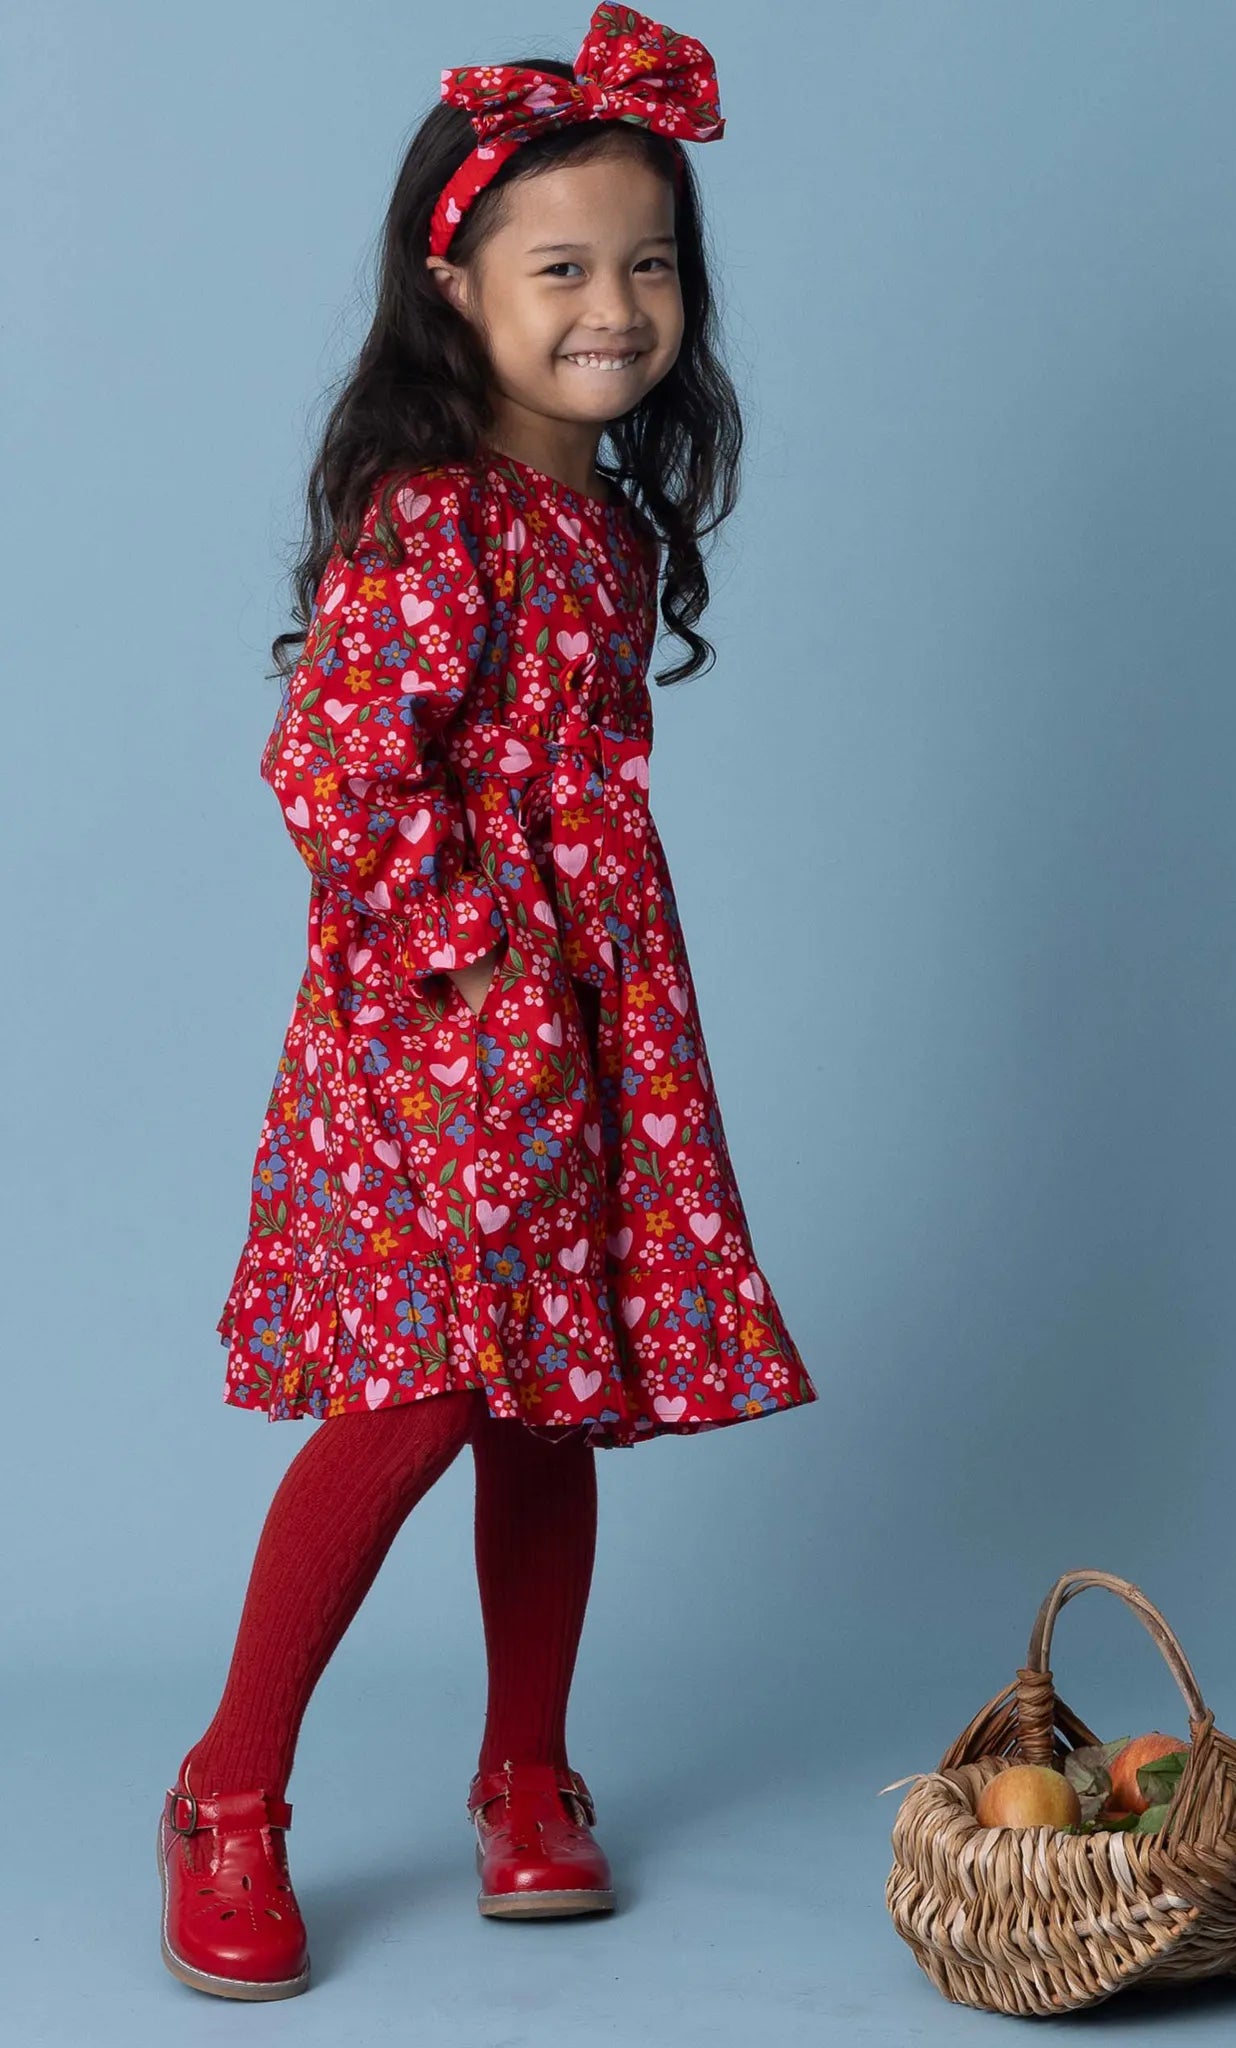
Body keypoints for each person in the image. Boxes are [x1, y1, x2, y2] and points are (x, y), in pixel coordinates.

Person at [158, 6, 818, 2000]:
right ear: (452, 287)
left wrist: (582, 994)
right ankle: (229, 1785)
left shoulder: (604, 526)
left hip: (595, 1015)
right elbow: (336, 773)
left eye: (649, 261)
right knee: (431, 1385)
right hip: (447, 1025)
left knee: (558, 1393)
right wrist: (484, 976)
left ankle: (529, 1770)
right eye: (561, 266)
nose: (615, 305)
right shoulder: (434, 516)